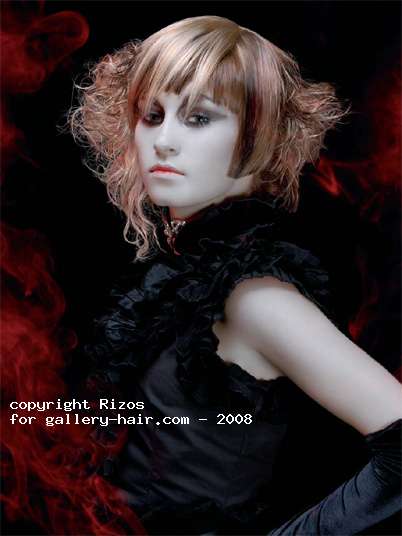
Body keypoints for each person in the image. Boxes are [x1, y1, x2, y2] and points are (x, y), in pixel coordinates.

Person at [70, 15, 402, 535]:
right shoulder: (189, 275)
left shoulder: (254, 297)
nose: (163, 141)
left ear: (257, 134)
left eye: (199, 117)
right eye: (152, 115)